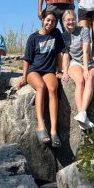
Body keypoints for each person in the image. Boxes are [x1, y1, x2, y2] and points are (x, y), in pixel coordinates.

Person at [17, 10, 65, 148]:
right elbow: (27, 59)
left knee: (52, 88)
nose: (50, 23)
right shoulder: (33, 38)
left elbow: (60, 54)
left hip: (49, 71)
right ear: (43, 20)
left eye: (53, 21)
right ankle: (40, 125)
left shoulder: (56, 34)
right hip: (34, 71)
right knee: (41, 87)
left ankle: (54, 131)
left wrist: (60, 70)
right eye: (48, 20)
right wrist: (23, 77)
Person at [61, 10, 94, 130]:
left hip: (89, 62)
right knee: (80, 81)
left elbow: (86, 50)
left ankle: (82, 113)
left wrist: (86, 69)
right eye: (68, 20)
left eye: (73, 19)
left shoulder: (84, 30)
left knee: (89, 78)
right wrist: (65, 71)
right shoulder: (63, 36)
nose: (71, 22)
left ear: (76, 19)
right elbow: (66, 55)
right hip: (75, 62)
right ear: (64, 21)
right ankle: (84, 117)